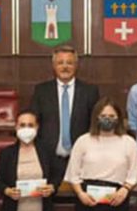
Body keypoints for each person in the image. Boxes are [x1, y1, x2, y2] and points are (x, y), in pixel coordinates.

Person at [65, 97, 137, 211]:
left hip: (116, 199)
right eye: (103, 116)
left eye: (112, 116)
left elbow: (133, 174)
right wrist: (81, 194)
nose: (107, 119)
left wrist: (124, 191)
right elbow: (73, 174)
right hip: (87, 199)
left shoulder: (128, 142)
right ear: (96, 117)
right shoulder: (83, 140)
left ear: (118, 118)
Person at [30, 45, 100, 180]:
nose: (65, 67)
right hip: (49, 158)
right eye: (60, 63)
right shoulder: (41, 91)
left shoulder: (90, 91)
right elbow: (34, 121)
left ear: (76, 66)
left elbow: (94, 124)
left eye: (69, 63)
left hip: (81, 157)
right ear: (53, 66)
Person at [0, 110, 60, 211]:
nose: (26, 129)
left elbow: (57, 175)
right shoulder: (7, 153)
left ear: (37, 127)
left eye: (30, 125)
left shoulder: (46, 150)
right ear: (16, 127)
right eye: (22, 125)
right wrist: (8, 191)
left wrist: (52, 187)